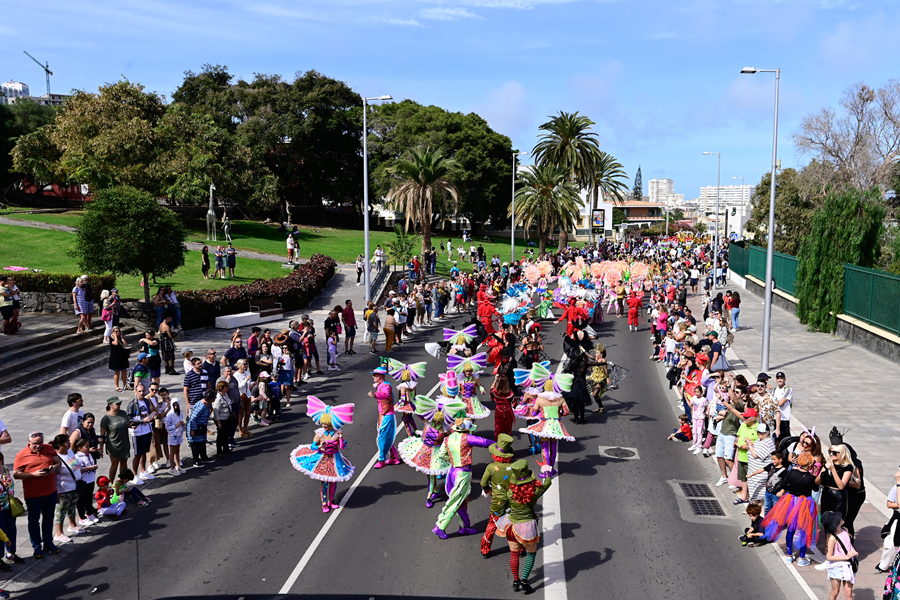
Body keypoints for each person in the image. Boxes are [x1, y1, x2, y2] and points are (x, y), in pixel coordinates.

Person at [495, 459, 553, 593]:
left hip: (511, 525)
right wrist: (546, 471)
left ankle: (516, 581)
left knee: (514, 554)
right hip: (527, 527)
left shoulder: (510, 492)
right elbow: (547, 483)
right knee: (531, 554)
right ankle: (524, 581)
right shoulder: (534, 491)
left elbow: (502, 504)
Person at [289, 397, 355, 513]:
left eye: (326, 424)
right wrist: (320, 447)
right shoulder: (319, 434)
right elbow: (313, 446)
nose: (324, 425)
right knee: (324, 483)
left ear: (331, 424)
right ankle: (324, 503)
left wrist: (341, 439)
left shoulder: (336, 433)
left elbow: (343, 447)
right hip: (323, 459)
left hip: (335, 459)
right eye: (323, 423)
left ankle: (331, 501)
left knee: (333, 482)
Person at [432, 418, 493, 540]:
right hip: (463, 473)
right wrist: (498, 445)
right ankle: (440, 526)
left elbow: (441, 455)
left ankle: (464, 526)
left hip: (452, 471)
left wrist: (453, 460)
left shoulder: (448, 439)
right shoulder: (467, 438)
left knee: (461, 500)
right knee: (456, 500)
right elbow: (484, 442)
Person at [762, 451, 820, 567]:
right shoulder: (811, 477)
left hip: (791, 501)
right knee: (805, 530)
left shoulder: (792, 472)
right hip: (805, 503)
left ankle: (789, 555)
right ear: (809, 465)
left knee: (791, 529)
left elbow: (783, 484)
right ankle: (802, 558)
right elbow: (816, 489)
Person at [13, 432, 62, 559]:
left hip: (50, 492)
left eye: (40, 442)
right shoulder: (21, 455)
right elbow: (16, 474)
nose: (38, 446)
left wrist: (54, 467)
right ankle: (36, 546)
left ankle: (48, 543)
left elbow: (58, 462)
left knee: (48, 518)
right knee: (34, 521)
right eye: (35, 444)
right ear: (29, 442)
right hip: (33, 494)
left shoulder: (49, 449)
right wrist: (33, 474)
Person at [480, 434, 515, 557]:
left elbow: (483, 483)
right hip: (512, 500)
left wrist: (488, 489)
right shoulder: (514, 467)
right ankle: (518, 549)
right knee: (512, 523)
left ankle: (485, 549)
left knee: (492, 524)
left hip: (498, 502)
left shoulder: (491, 467)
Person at [51, 434, 82, 543]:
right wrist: (56, 491)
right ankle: (59, 533)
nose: (69, 443)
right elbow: (53, 476)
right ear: (60, 445)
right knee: (61, 510)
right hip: (64, 488)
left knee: (72, 506)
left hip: (75, 485)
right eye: (67, 442)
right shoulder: (56, 457)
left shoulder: (69, 452)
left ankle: (72, 525)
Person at [368, 367, 400, 468]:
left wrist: (375, 395)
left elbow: (385, 395)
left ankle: (381, 459)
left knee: (382, 438)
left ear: (380, 376)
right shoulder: (381, 385)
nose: (373, 376)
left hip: (387, 415)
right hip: (384, 415)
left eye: (375, 375)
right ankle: (394, 457)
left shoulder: (385, 386)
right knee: (388, 437)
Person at [821, 511, 857, 600]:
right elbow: (829, 557)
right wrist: (845, 557)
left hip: (848, 566)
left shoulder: (845, 530)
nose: (841, 518)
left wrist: (854, 551)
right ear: (835, 523)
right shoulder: (832, 538)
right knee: (835, 591)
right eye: (839, 519)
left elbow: (849, 545)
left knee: (849, 594)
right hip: (836, 567)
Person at [126, 385, 157, 485]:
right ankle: (134, 475)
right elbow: (128, 419)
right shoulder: (132, 404)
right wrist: (141, 421)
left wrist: (150, 417)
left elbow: (148, 413)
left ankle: (143, 471)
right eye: (139, 391)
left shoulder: (147, 401)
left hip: (147, 430)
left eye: (143, 391)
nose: (142, 393)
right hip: (137, 432)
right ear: (135, 391)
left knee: (144, 452)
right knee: (138, 454)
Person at [98, 397, 130, 483]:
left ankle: (122, 482)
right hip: (113, 445)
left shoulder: (123, 413)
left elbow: (127, 424)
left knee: (124, 465)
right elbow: (102, 435)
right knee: (114, 465)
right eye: (117, 404)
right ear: (110, 405)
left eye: (120, 403)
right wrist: (101, 448)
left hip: (124, 443)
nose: (119, 405)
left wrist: (132, 425)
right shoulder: (106, 418)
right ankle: (111, 484)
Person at [0, 451, 23, 564]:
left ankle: (11, 553)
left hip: (9, 506)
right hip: (0, 508)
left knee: (11, 530)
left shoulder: (4, 469)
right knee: (1, 533)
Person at [73, 438, 99, 526]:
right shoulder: (76, 457)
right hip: (83, 481)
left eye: (89, 446)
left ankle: (90, 513)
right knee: (81, 500)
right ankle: (82, 517)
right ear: (80, 448)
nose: (88, 448)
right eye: (86, 446)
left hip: (91, 479)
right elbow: (77, 471)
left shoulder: (88, 455)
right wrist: (89, 468)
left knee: (89, 498)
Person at [187, 390, 214, 467]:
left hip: (202, 427)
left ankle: (204, 457)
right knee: (195, 444)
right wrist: (192, 430)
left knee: (202, 442)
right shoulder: (201, 406)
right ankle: (196, 460)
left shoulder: (207, 404)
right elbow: (192, 419)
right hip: (195, 427)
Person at [212, 381, 234, 460]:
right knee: (221, 436)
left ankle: (225, 449)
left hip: (227, 418)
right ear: (221, 388)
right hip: (221, 419)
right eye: (226, 386)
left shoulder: (225, 395)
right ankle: (219, 452)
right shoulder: (218, 398)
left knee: (226, 434)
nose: (228, 388)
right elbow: (216, 411)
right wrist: (219, 423)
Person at [165, 399, 186, 475]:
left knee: (177, 451)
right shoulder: (169, 415)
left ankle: (178, 466)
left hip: (179, 434)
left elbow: (180, 422)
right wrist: (175, 426)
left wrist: (182, 424)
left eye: (177, 405)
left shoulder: (180, 413)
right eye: (174, 405)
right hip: (173, 435)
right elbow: (167, 427)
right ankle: (172, 468)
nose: (176, 407)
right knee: (172, 452)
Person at [491, 375, 515, 439]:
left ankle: (498, 445)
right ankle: (506, 446)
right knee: (507, 430)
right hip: (508, 412)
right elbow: (514, 404)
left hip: (498, 412)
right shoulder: (510, 393)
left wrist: (495, 381)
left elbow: (491, 390)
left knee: (498, 429)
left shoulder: (495, 392)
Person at [109, 326, 130, 392]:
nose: (118, 332)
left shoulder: (121, 338)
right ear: (113, 332)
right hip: (115, 357)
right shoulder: (111, 338)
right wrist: (115, 337)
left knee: (124, 371)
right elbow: (115, 343)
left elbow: (125, 344)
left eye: (119, 331)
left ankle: (125, 385)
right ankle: (117, 386)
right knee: (117, 372)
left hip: (122, 356)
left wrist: (121, 337)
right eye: (116, 331)